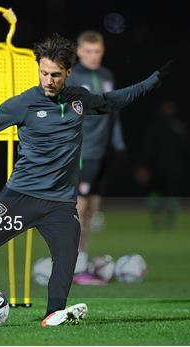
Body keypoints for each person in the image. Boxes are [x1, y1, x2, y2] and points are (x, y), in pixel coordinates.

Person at [0, 34, 171, 326]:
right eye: (43, 73)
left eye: (55, 74)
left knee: (68, 256)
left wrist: (151, 82)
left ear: (67, 72)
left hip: (60, 204)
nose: (48, 80)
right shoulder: (23, 104)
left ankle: (53, 313)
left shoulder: (78, 99)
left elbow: (110, 102)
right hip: (20, 197)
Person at [66, 30, 127, 285]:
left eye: (98, 51)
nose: (93, 56)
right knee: (77, 209)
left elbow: (113, 111)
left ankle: (81, 261)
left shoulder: (106, 76)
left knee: (91, 210)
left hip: (102, 153)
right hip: (82, 152)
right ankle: (71, 266)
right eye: (88, 51)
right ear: (79, 52)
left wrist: (119, 144)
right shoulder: (72, 78)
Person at [136, 99, 190, 230]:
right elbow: (147, 149)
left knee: (169, 195)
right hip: (159, 168)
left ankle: (168, 221)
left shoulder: (178, 128)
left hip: (169, 168)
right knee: (157, 194)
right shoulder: (158, 128)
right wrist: (144, 167)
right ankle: (157, 220)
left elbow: (186, 150)